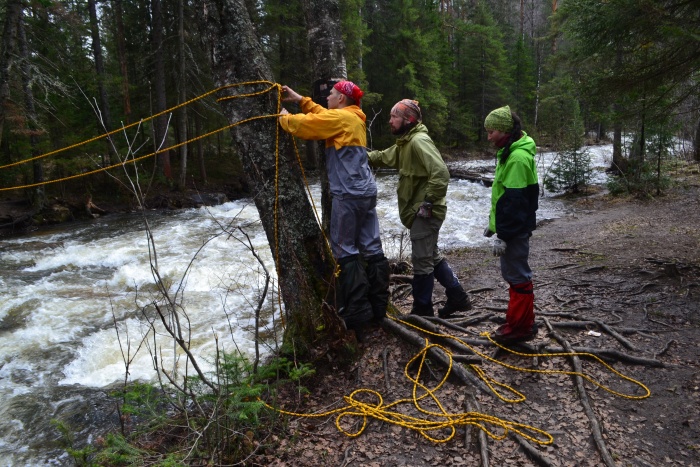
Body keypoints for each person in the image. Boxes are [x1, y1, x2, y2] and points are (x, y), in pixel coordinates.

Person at [278, 81, 390, 332]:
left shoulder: (341, 119)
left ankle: (357, 314)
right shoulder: (354, 118)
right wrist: (301, 99)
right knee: (372, 248)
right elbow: (324, 115)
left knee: (344, 251)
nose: (327, 97)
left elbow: (306, 126)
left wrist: (285, 118)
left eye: (331, 94)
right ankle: (378, 307)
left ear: (341, 99)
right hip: (366, 191)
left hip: (348, 194)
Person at [368, 99, 471, 318]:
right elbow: (382, 157)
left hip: (426, 212)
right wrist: (356, 155)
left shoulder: (418, 141)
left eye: (394, 116)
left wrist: (427, 203)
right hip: (421, 211)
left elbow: (441, 172)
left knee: (421, 262)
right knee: (431, 256)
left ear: (408, 119)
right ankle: (458, 297)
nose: (390, 121)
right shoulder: (405, 143)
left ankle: (423, 310)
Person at [483, 105, 539, 343]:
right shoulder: (510, 152)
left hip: (515, 230)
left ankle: (519, 328)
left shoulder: (516, 157)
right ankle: (522, 320)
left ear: (505, 131)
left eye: (492, 131)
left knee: (517, 275)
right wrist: (494, 225)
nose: (489, 137)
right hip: (514, 227)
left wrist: (503, 234)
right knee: (514, 273)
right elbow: (504, 198)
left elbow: (515, 203)